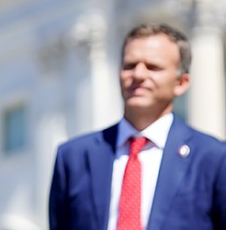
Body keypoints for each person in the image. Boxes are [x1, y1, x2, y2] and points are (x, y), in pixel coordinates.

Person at [48, 23, 226, 229]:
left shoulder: (213, 158)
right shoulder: (74, 158)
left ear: (181, 83)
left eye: (153, 67)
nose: (138, 75)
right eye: (129, 65)